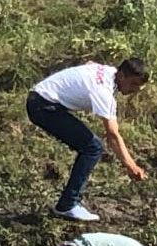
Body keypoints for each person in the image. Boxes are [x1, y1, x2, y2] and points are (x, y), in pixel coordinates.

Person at [27, 58, 149, 221]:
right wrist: (131, 166)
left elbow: (89, 64)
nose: (135, 90)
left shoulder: (108, 71)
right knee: (93, 148)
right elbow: (112, 134)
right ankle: (67, 205)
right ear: (121, 76)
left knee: (90, 146)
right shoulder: (103, 91)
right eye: (133, 84)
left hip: (41, 98)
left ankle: (69, 203)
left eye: (139, 86)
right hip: (43, 106)